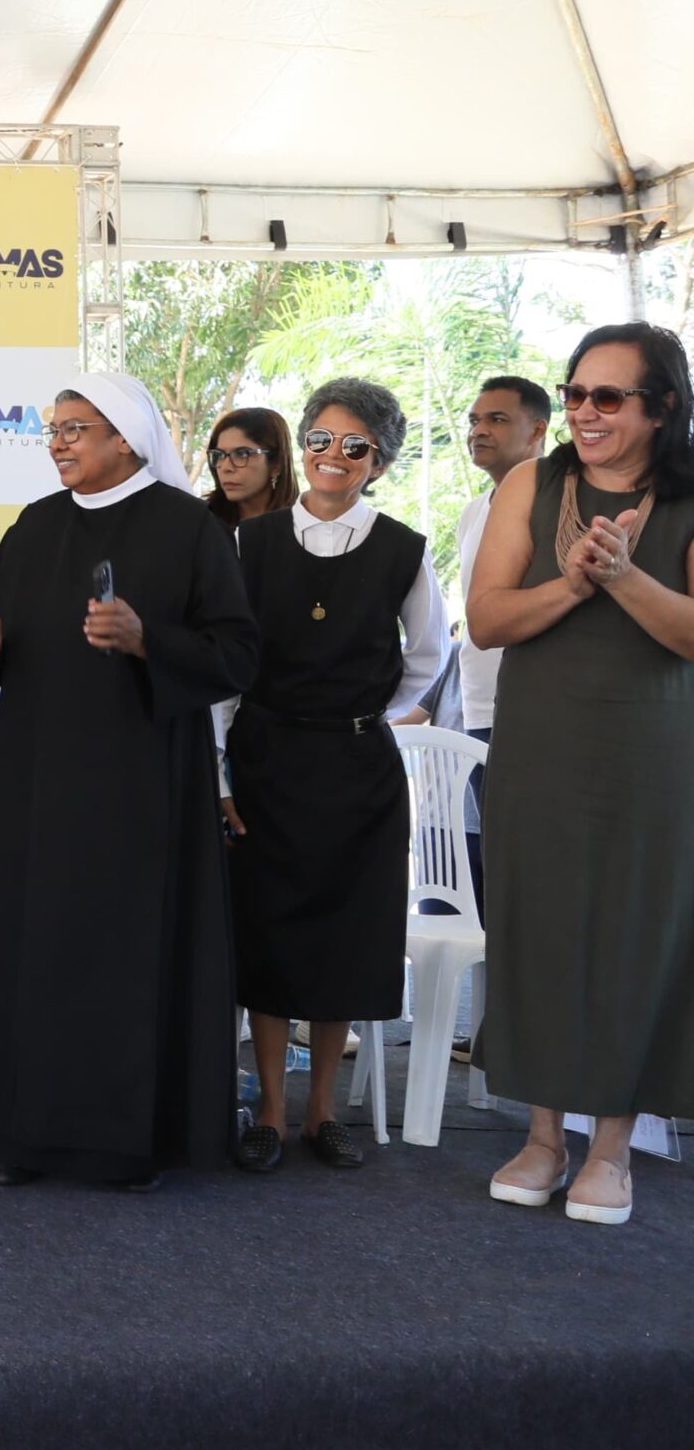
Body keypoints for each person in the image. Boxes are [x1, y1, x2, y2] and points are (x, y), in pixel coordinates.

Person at [0, 371, 258, 1191]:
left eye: (74, 429)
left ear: (125, 437)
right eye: (52, 429)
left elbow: (236, 654)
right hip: (36, 783)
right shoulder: (34, 526)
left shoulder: (189, 527)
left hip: (140, 785)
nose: (56, 442)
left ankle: (123, 1144)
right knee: (30, 950)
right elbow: (3, 637)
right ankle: (19, 1134)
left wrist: (148, 639)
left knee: (122, 957)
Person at [469, 322, 694, 1227]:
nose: (585, 412)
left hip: (654, 750)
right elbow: (487, 619)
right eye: (574, 394)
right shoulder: (532, 482)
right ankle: (543, 1137)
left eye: (608, 396)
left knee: (632, 936)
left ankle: (611, 1150)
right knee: (540, 930)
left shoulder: (687, 492)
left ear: (662, 407)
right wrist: (572, 582)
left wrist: (624, 575)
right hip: (541, 743)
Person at [217, 378, 444, 1173]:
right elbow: (225, 670)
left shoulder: (403, 548)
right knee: (269, 931)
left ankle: (323, 1112)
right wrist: (220, 773)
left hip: (356, 766)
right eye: (319, 439)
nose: (333, 456)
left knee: (346, 935)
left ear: (378, 460)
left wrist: (365, 709)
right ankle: (271, 1111)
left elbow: (429, 659)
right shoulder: (250, 542)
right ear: (302, 446)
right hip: (266, 760)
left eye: (355, 446)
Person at [450, 375, 549, 922]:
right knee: (491, 871)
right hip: (478, 712)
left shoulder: (557, 502)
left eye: (497, 419)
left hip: (535, 712)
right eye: (474, 420)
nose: (479, 430)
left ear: (538, 430)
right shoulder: (473, 511)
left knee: (532, 875)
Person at [202, 408, 301, 530]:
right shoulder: (201, 522)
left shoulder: (304, 525)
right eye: (219, 455)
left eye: (241, 454)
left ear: (276, 464)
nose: (225, 467)